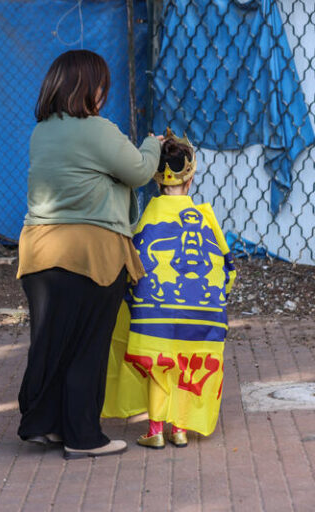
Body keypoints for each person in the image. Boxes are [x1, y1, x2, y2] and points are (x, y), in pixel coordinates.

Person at [16, 49, 162, 459]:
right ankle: (83, 437)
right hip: (91, 253)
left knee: (50, 342)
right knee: (87, 345)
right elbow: (137, 170)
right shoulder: (96, 129)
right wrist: (152, 145)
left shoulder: (41, 131)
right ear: (86, 88)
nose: (103, 94)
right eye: (101, 86)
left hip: (39, 252)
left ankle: (42, 425)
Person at [102, 130, 236, 448]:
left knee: (159, 364)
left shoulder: (148, 219)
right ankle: (180, 428)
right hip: (201, 315)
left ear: (155, 181)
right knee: (187, 361)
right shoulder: (206, 218)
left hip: (155, 317)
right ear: (190, 181)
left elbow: (131, 266)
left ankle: (156, 431)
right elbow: (226, 268)